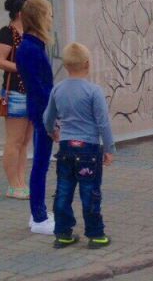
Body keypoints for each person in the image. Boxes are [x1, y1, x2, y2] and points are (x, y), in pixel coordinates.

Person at [43, 42, 114, 249]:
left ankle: (63, 233)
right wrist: (109, 149)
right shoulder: (94, 91)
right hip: (89, 149)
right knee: (90, 191)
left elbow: (48, 117)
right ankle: (96, 234)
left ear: (65, 65)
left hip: (66, 147)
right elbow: (103, 123)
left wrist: (52, 131)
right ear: (87, 64)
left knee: (64, 190)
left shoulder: (58, 89)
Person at [16, 0, 56, 234]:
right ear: (40, 18)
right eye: (49, 14)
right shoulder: (30, 48)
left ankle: (38, 211)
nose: (51, 19)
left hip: (42, 109)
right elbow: (39, 87)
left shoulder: (34, 45)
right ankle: (39, 216)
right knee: (40, 163)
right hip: (42, 111)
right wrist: (52, 117)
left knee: (41, 162)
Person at [0, 0, 31, 199]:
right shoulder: (7, 33)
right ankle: (12, 183)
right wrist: (21, 68)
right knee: (14, 140)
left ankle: (21, 180)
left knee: (25, 141)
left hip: (31, 90)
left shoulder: (32, 33)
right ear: (19, 13)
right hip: (15, 91)